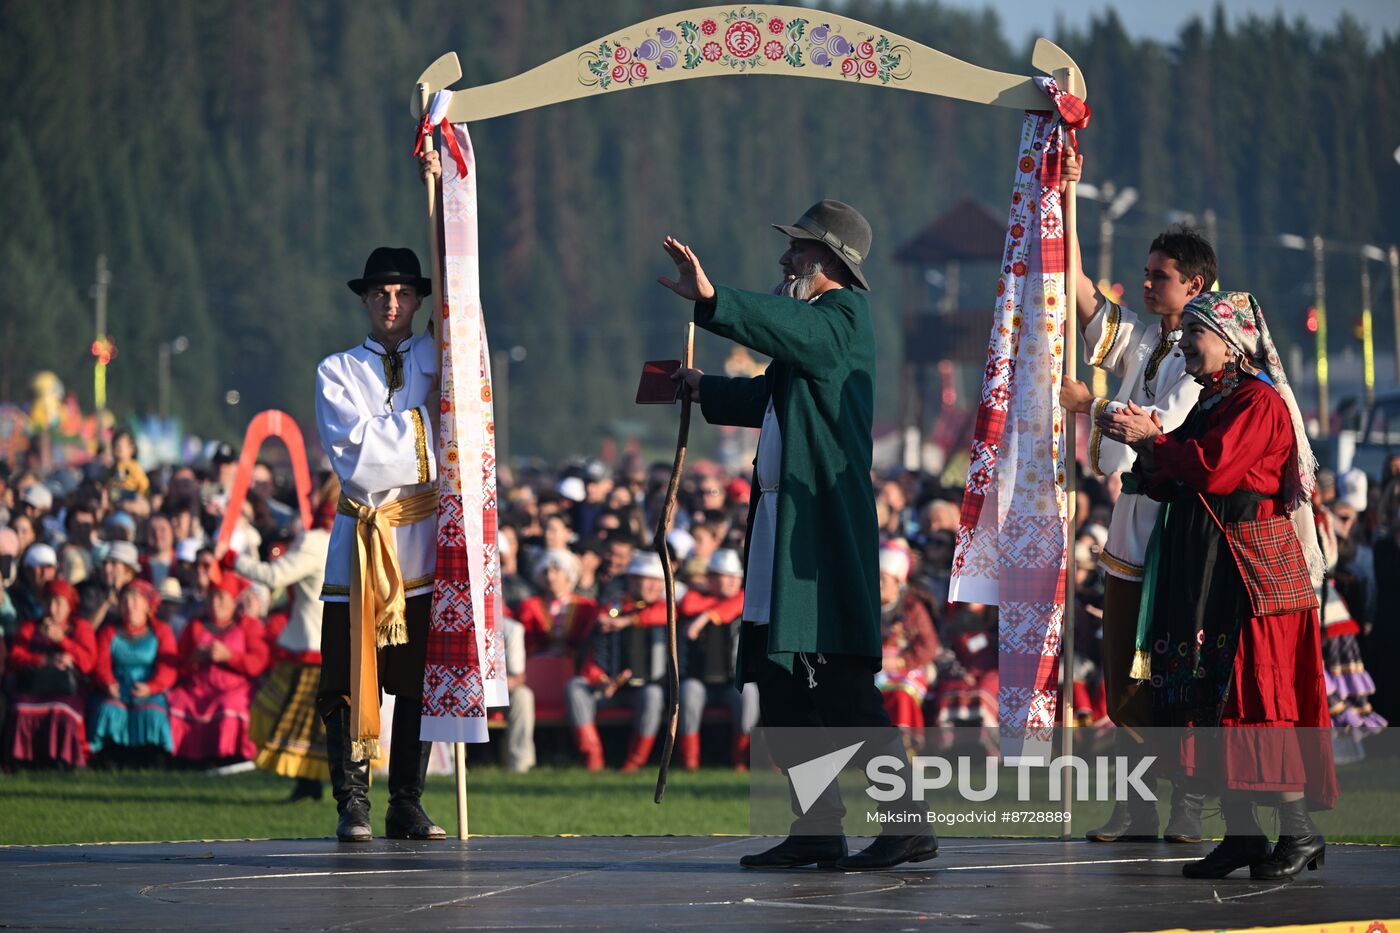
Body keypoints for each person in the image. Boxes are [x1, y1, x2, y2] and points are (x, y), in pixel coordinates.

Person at [659, 200, 935, 871]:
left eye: (799, 252)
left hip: (817, 535)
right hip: (783, 530)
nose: (786, 261)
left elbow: (787, 330)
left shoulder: (840, 320)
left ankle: (906, 823)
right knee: (779, 684)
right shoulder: (811, 333)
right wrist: (701, 389)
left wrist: (714, 297)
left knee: (840, 686)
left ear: (829, 262)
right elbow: (768, 400)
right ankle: (816, 826)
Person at [1104, 291, 1337, 880]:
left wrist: (1154, 443)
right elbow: (1171, 475)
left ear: (1230, 341)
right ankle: (1242, 835)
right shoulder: (1214, 402)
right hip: (1209, 571)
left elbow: (1212, 467)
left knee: (1253, 702)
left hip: (1249, 573)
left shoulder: (1258, 402)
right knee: (1206, 700)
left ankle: (1300, 834)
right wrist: (1146, 449)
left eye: (1195, 333)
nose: (1183, 342)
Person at [1060, 156, 1216, 841]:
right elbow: (1083, 293)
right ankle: (1134, 803)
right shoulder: (1148, 336)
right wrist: (1060, 192)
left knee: (1176, 667)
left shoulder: (1208, 350)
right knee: (1125, 663)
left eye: (1161, 277)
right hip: (1130, 523)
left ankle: (1187, 804)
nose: (1148, 283)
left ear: (1197, 285)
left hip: (1180, 528)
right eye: (1148, 273)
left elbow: (1166, 427)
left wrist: (1088, 403)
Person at [315, 245, 446, 842]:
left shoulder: (442, 356)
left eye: (402, 293)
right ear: (365, 300)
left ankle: (408, 800)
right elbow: (357, 461)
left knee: (418, 677)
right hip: (361, 541)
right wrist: (425, 423)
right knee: (347, 677)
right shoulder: (337, 371)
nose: (391, 303)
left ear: (419, 299)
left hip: (422, 544)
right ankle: (353, 799)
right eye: (379, 294)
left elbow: (458, 436)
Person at [232, 477, 335, 800]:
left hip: (309, 644)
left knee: (294, 719)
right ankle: (311, 785)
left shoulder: (316, 541)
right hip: (329, 642)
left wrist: (234, 561)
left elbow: (276, 575)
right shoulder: (348, 536)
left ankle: (310, 785)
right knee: (311, 723)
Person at [566, 551, 669, 772]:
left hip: (643, 690)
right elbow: (591, 654)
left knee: (653, 694)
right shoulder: (610, 608)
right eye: (648, 580)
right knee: (575, 687)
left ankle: (634, 762)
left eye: (658, 581)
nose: (654, 586)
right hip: (608, 689)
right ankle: (593, 758)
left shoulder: (664, 607)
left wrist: (628, 621)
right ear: (632, 580)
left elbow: (669, 614)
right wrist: (602, 680)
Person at [167, 571, 270, 762]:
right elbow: (181, 666)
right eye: (212, 598)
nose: (216, 604)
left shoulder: (248, 626)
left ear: (234, 601)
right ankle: (181, 756)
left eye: (221, 598)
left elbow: (258, 663)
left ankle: (228, 756)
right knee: (177, 701)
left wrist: (229, 656)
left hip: (234, 687)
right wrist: (195, 658)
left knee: (229, 704)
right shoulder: (195, 626)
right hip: (198, 687)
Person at [676, 547, 756, 771]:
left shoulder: (743, 601)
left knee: (749, 694)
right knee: (689, 693)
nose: (732, 582)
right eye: (725, 577)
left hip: (731, 680)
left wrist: (706, 617)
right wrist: (710, 607)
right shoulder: (695, 598)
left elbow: (739, 601)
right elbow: (688, 604)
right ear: (710, 579)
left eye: (735, 577)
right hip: (698, 679)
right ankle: (689, 762)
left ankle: (740, 759)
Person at [5, 580, 97, 767]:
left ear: (70, 606)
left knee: (62, 711)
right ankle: (23, 759)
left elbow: (88, 663)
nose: (53, 609)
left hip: (67, 689)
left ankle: (62, 758)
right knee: (21, 709)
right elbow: (15, 657)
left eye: (59, 603)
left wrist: (63, 641)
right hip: (34, 687)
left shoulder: (81, 628)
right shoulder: (30, 627)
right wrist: (42, 660)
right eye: (49, 602)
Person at [88, 579, 178, 766]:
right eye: (125, 601)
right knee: (110, 709)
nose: (130, 606)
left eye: (136, 601)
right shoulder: (109, 632)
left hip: (148, 687)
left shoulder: (161, 631)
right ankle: (110, 756)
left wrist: (152, 687)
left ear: (147, 606)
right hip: (117, 686)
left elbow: (168, 667)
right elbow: (101, 662)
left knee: (152, 713)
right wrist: (108, 683)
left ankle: (150, 756)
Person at [874, 543, 939, 738]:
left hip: (905, 665)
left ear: (897, 581)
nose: (877, 584)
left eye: (883, 579)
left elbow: (928, 646)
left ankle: (906, 741)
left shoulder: (912, 607)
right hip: (872, 666)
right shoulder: (865, 605)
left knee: (902, 692)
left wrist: (901, 662)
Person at [515, 548, 598, 657]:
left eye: (556, 570)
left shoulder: (586, 607)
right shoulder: (529, 606)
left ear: (569, 574)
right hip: (538, 665)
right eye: (546, 571)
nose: (550, 577)